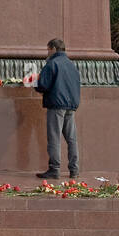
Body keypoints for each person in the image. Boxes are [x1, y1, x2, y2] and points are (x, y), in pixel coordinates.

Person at [34, 38, 80, 179]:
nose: (47, 53)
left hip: (56, 105)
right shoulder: (72, 65)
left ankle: (54, 169)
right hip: (71, 105)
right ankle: (74, 170)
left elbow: (43, 85)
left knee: (54, 137)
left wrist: (34, 81)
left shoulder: (52, 63)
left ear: (53, 48)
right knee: (71, 139)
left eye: (48, 49)